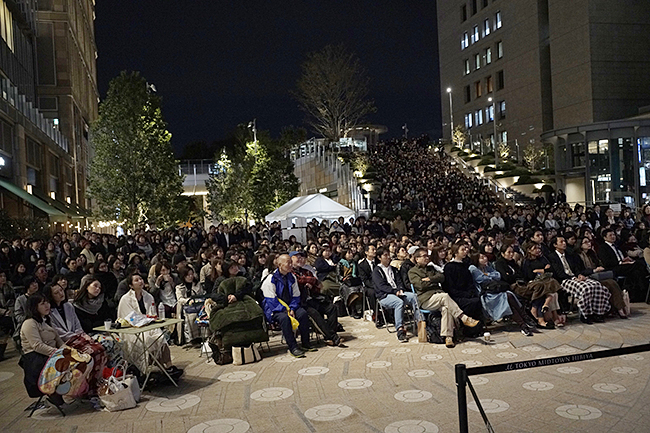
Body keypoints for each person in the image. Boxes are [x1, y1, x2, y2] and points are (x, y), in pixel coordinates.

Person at [408, 248, 479, 347]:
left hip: (438, 296)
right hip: (426, 299)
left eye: (427, 256)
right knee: (445, 296)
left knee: (446, 308)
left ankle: (448, 337)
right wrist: (433, 281)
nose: (426, 258)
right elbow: (420, 285)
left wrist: (430, 279)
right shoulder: (412, 272)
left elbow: (442, 277)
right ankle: (463, 317)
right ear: (417, 259)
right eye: (424, 256)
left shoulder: (431, 268)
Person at [117, 274, 182, 380]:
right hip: (133, 329)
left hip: (149, 325)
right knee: (146, 340)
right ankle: (145, 371)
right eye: (136, 280)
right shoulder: (125, 299)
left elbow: (152, 314)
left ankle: (169, 367)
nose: (140, 281)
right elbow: (127, 317)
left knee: (160, 337)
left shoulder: (148, 296)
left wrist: (149, 319)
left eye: (141, 279)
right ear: (131, 285)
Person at [209, 260, 268, 357]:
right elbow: (214, 295)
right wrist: (226, 298)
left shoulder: (243, 276)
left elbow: (248, 288)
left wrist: (237, 296)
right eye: (232, 267)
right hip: (227, 303)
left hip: (243, 301)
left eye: (236, 266)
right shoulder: (220, 279)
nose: (236, 269)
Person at [548, 236, 611, 324]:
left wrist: (579, 275)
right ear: (555, 245)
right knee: (585, 288)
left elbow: (576, 269)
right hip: (564, 280)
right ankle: (585, 314)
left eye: (564, 241)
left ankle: (598, 313)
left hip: (575, 277)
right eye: (561, 242)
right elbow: (559, 273)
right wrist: (573, 278)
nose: (564, 243)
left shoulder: (569, 255)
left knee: (597, 285)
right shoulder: (552, 257)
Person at [262, 254, 314, 358]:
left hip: (290, 307)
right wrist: (285, 310)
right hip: (275, 309)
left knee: (303, 314)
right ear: (280, 265)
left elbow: (296, 296)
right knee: (285, 319)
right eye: (288, 263)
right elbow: (271, 300)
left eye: (291, 262)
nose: (291, 265)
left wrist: (292, 308)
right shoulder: (271, 279)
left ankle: (305, 343)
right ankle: (293, 347)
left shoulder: (292, 277)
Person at [469, 253, 534, 336]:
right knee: (507, 298)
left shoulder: (487, 267)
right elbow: (480, 279)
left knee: (509, 295)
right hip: (486, 295)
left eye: (485, 257)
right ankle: (524, 321)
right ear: (476, 260)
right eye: (482, 258)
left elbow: (498, 275)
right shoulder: (473, 268)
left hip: (495, 292)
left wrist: (487, 274)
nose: (485, 259)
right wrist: (489, 276)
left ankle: (523, 323)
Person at [291, 251, 344, 347]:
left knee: (331, 308)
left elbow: (318, 284)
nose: (299, 259)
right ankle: (333, 337)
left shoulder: (305, 271)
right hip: (300, 302)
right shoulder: (290, 273)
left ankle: (329, 337)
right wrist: (310, 281)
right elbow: (299, 280)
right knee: (314, 313)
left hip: (312, 298)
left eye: (301, 257)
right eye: (296, 257)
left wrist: (311, 283)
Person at [19, 293, 64, 404]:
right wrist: (57, 352)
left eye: (47, 302)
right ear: (35, 307)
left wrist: (66, 349)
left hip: (51, 354)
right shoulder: (29, 323)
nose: (47, 305)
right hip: (38, 358)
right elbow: (37, 345)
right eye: (42, 304)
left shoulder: (47, 320)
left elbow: (58, 340)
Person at [372, 247, 423, 343]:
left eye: (388, 255)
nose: (388, 257)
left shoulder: (394, 269)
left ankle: (420, 323)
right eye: (385, 255)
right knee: (398, 302)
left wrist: (399, 289)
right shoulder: (376, 271)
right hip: (385, 295)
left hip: (398, 292)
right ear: (379, 257)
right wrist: (394, 291)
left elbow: (400, 282)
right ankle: (400, 329)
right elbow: (381, 286)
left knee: (414, 297)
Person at [578, 237, 626, 317]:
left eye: (589, 242)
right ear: (580, 245)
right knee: (611, 283)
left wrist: (599, 268)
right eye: (585, 242)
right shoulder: (578, 256)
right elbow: (580, 270)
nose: (588, 244)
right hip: (588, 277)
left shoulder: (592, 254)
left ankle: (617, 308)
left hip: (598, 275)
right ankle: (619, 308)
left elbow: (600, 264)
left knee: (612, 281)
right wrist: (594, 270)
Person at [519, 242, 563, 328]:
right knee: (546, 290)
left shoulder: (543, 258)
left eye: (539, 248)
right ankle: (546, 315)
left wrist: (539, 270)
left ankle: (551, 313)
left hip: (545, 280)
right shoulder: (527, 262)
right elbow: (529, 275)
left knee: (554, 292)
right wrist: (543, 269)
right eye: (535, 248)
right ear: (529, 250)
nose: (538, 250)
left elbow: (551, 270)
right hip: (534, 282)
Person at [443, 243, 484, 321]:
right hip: (457, 296)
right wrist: (464, 294)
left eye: (465, 249)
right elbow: (449, 286)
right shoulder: (449, 267)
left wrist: (471, 292)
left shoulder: (465, 265)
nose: (465, 251)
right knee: (472, 303)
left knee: (477, 300)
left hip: (467, 293)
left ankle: (478, 328)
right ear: (455, 252)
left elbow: (470, 282)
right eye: (462, 250)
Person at [44, 277, 83, 341]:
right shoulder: (48, 311)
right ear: (50, 296)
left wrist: (80, 336)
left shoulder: (69, 306)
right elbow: (57, 331)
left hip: (77, 338)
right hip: (61, 341)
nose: (61, 293)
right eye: (56, 293)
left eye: (61, 290)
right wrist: (75, 337)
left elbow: (77, 325)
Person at [175, 266, 205, 345]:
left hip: (198, 305)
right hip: (186, 307)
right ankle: (193, 339)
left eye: (192, 274)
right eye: (188, 275)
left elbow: (201, 294)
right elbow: (180, 299)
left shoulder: (197, 284)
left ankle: (203, 337)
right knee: (191, 317)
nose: (191, 276)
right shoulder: (179, 287)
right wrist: (187, 300)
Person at [0, 270, 14, 360]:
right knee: (8, 323)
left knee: (10, 321)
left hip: (9, 311)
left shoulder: (8, 287)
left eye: (4, 276)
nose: (3, 278)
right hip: (1, 313)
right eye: (0, 276)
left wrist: (9, 310)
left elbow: (12, 300)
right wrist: (4, 312)